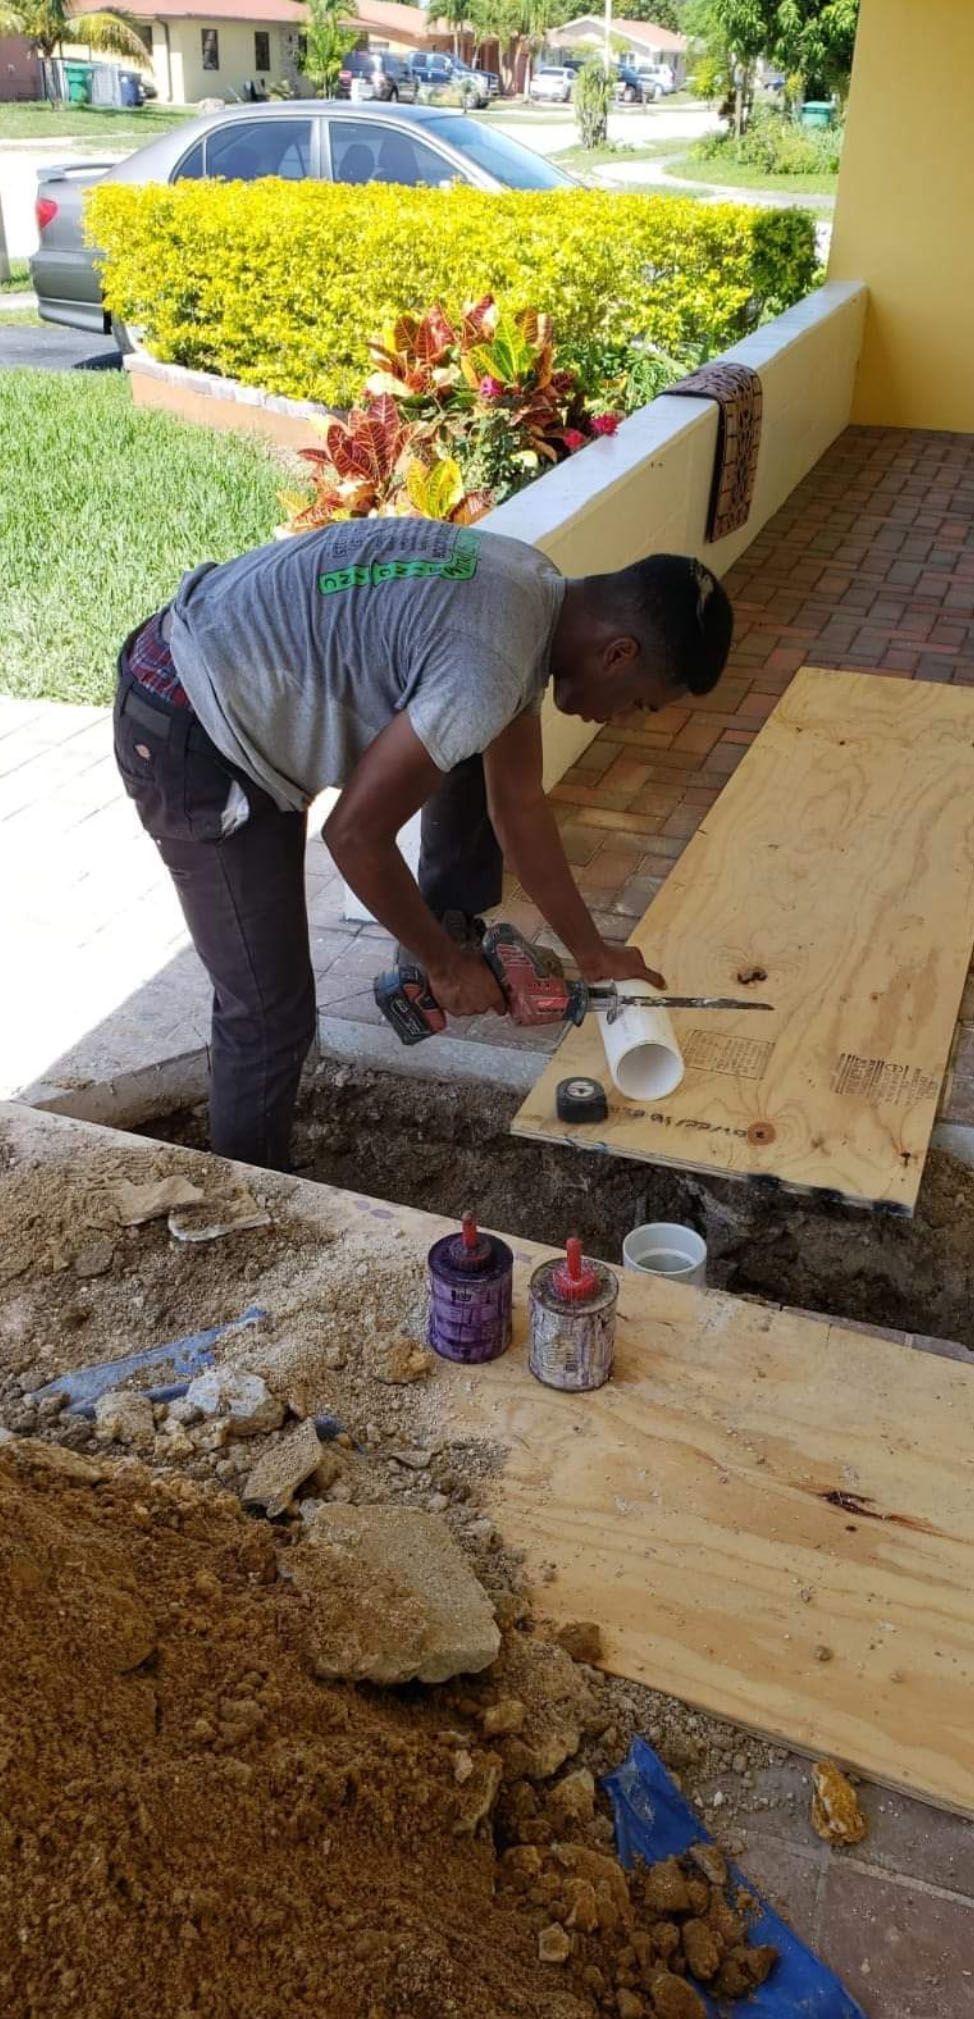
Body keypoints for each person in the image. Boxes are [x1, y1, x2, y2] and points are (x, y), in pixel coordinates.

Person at [114, 517, 733, 1171]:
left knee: (458, 757)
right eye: (641, 705)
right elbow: (353, 835)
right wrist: (445, 965)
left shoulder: (534, 586)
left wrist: (593, 952)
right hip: (189, 721)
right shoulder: (489, 664)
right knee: (269, 1013)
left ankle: (429, 945)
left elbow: (518, 805)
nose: (624, 721)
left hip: (222, 674)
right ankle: (238, 1204)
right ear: (618, 655)